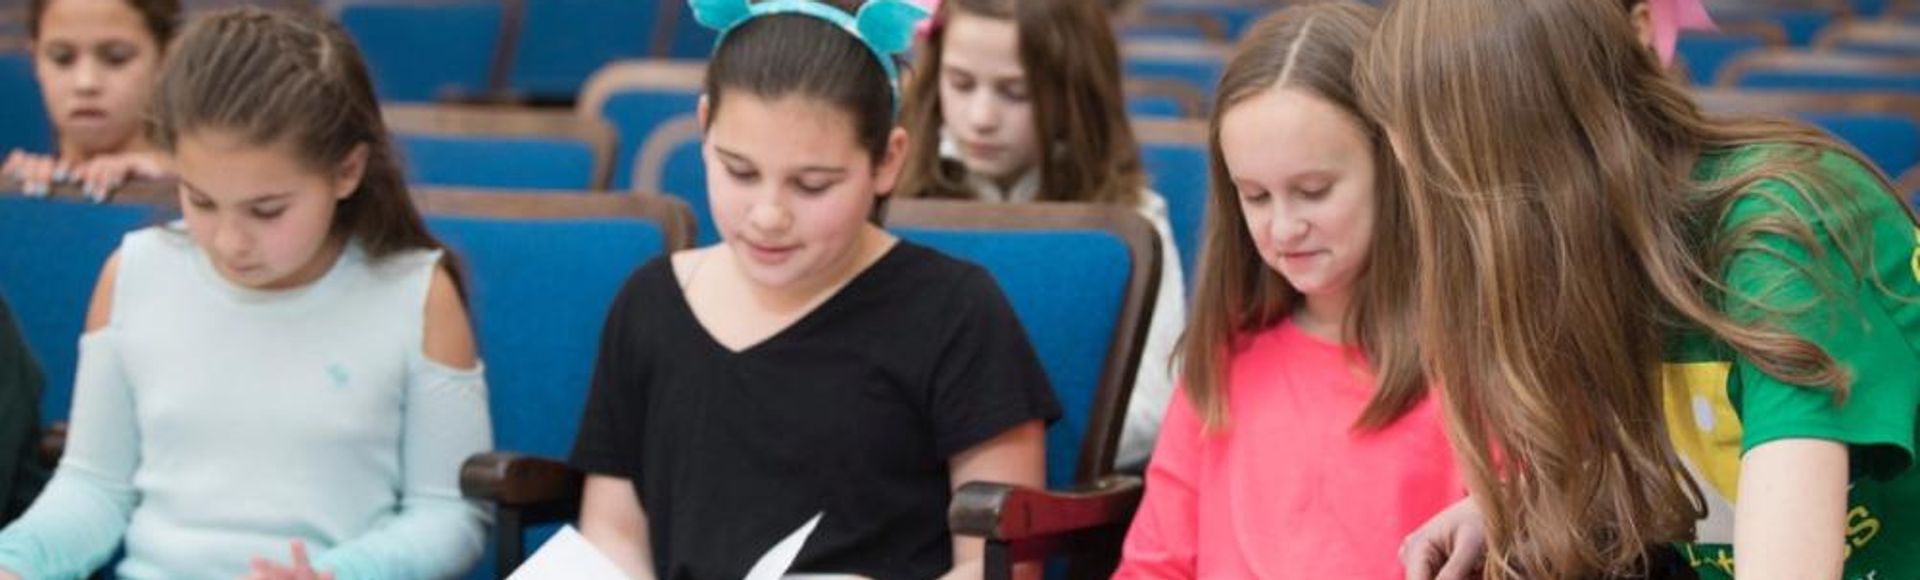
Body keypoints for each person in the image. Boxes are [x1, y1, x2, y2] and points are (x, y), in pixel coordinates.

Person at [1359, 0, 1920, 578]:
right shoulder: (1593, 257)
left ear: (1532, 172)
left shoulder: (1785, 230)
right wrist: (1530, 510)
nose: (1450, 237)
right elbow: (1675, 476)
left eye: (1453, 196)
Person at [570, 1, 1058, 578]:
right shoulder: (650, 304)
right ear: (704, 129)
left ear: (886, 161)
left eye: (812, 185)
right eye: (740, 172)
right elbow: (613, 534)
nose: (769, 215)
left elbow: (1002, 562)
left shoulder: (955, 310)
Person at [0, 8, 493, 579]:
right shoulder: (134, 273)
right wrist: (16, 559)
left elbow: (449, 516)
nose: (230, 242)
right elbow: (93, 489)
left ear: (347, 171)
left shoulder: (417, 293)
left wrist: (344, 573)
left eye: (267, 210)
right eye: (200, 200)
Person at [1113, 4, 1461, 579]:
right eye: (1255, 196)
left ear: (1396, 168)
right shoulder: (1221, 361)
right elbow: (1155, 567)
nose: (1282, 227)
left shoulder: (1466, 368)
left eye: (1314, 190)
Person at [897, 0, 1183, 471]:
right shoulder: (891, 198)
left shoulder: (1129, 222)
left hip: (1049, 498)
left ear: (1073, 91)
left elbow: (1152, 409)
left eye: (1016, 92)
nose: (981, 116)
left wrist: (996, 446)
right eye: (961, 83)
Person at [3, 0, 178, 200]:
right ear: (35, 59)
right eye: (62, 58)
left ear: (166, 59)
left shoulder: (202, 195)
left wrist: (185, 183)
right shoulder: (18, 188)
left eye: (116, 57)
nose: (85, 83)